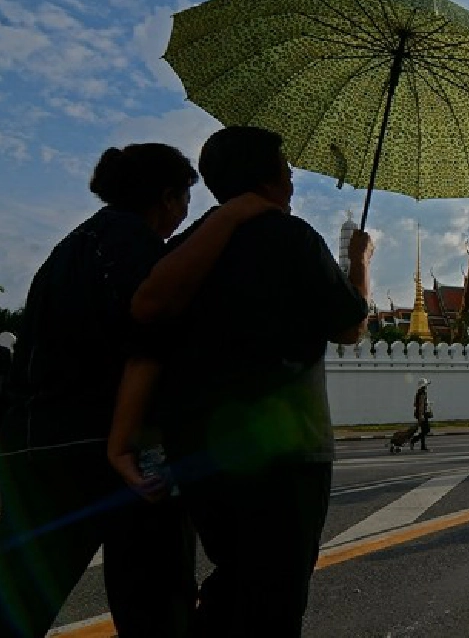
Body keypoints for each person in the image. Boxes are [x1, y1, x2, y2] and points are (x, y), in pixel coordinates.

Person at [0, 143, 273, 638]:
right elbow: (151, 321)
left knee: (8, 597)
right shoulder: (129, 241)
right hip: (104, 446)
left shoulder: (77, 245)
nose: (185, 214)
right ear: (166, 197)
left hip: (42, 440)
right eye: (184, 200)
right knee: (156, 601)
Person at [109, 127, 372, 638]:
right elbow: (349, 327)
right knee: (274, 596)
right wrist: (359, 263)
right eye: (287, 169)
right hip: (284, 449)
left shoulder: (185, 244)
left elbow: (148, 329)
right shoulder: (292, 237)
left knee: (234, 579)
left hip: (201, 448)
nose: (292, 180)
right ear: (271, 179)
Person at [411, 378, 432, 451]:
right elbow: (421, 405)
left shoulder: (419, 393)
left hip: (421, 414)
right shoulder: (422, 393)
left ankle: (422, 446)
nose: (427, 386)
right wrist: (421, 416)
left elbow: (415, 404)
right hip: (422, 414)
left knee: (423, 430)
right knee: (427, 430)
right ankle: (414, 440)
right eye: (426, 385)